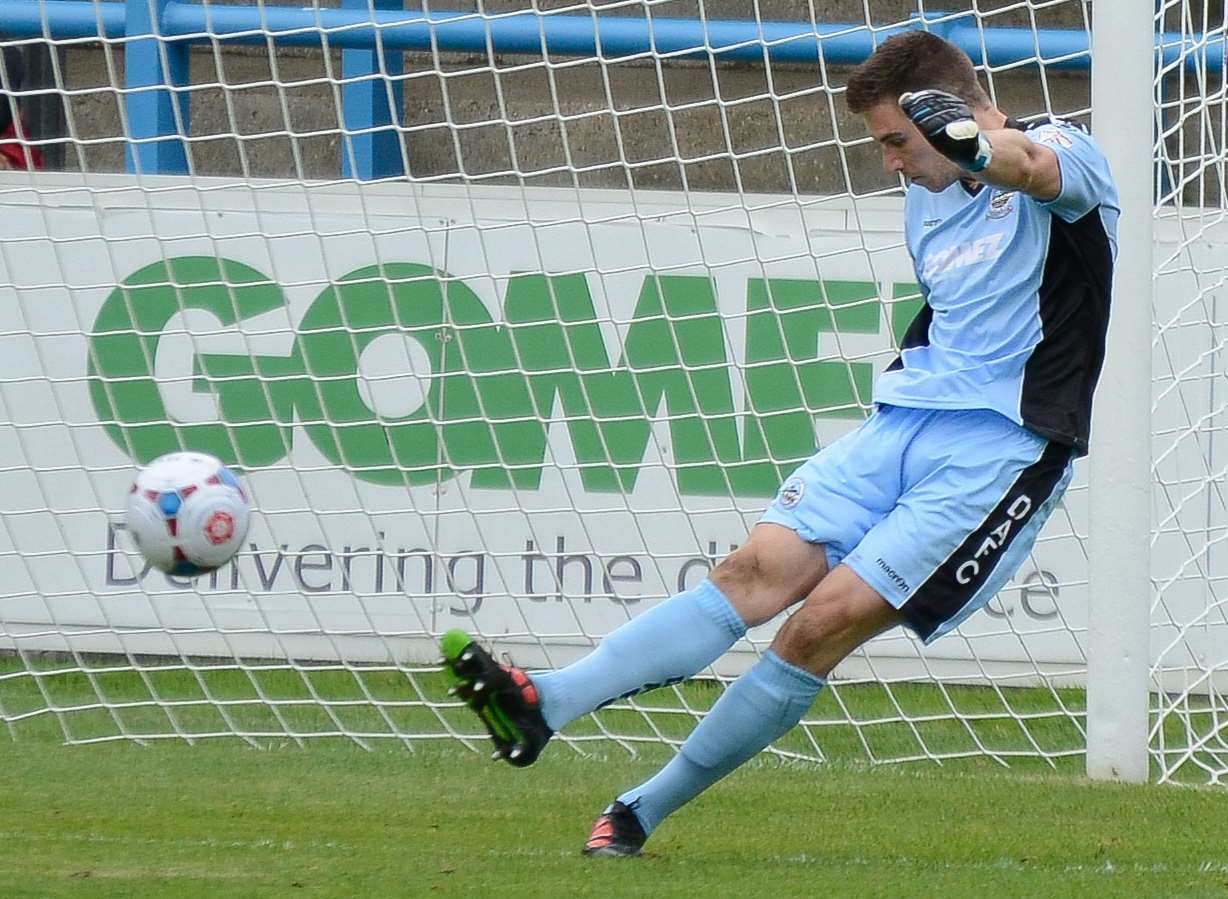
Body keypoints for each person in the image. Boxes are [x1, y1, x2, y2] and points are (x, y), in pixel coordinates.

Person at [440, 30, 1119, 857]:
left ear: (947, 112)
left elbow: (1030, 169)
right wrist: (942, 151)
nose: (891, 165)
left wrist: (971, 143)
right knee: (750, 572)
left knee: (817, 624)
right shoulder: (922, 194)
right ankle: (544, 703)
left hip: (1002, 449)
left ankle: (638, 810)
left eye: (897, 142)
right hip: (901, 422)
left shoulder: (1063, 149)